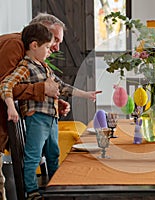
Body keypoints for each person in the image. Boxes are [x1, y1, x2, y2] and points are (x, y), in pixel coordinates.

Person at [0, 22, 100, 199]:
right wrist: (10, 106)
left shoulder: (44, 67)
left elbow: (61, 86)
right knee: (33, 156)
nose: (51, 50)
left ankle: (57, 186)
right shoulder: (25, 66)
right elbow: (6, 85)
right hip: (36, 118)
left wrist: (86, 94)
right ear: (34, 45)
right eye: (48, 46)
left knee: (54, 154)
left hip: (51, 119)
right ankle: (31, 191)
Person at [0, 13, 71, 199]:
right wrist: (41, 89)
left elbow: (20, 87)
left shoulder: (31, 57)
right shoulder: (15, 44)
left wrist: (50, 98)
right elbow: (4, 86)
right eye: (54, 40)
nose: (56, 48)